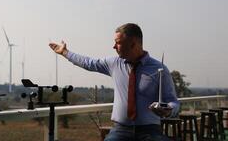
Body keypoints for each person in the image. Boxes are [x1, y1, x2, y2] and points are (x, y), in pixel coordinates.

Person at [49, 23, 180, 141]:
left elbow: (173, 101)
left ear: (133, 43)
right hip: (120, 130)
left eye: (118, 42)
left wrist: (168, 110)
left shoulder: (159, 69)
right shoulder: (114, 64)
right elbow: (88, 63)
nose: (114, 46)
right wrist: (65, 52)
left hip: (150, 131)